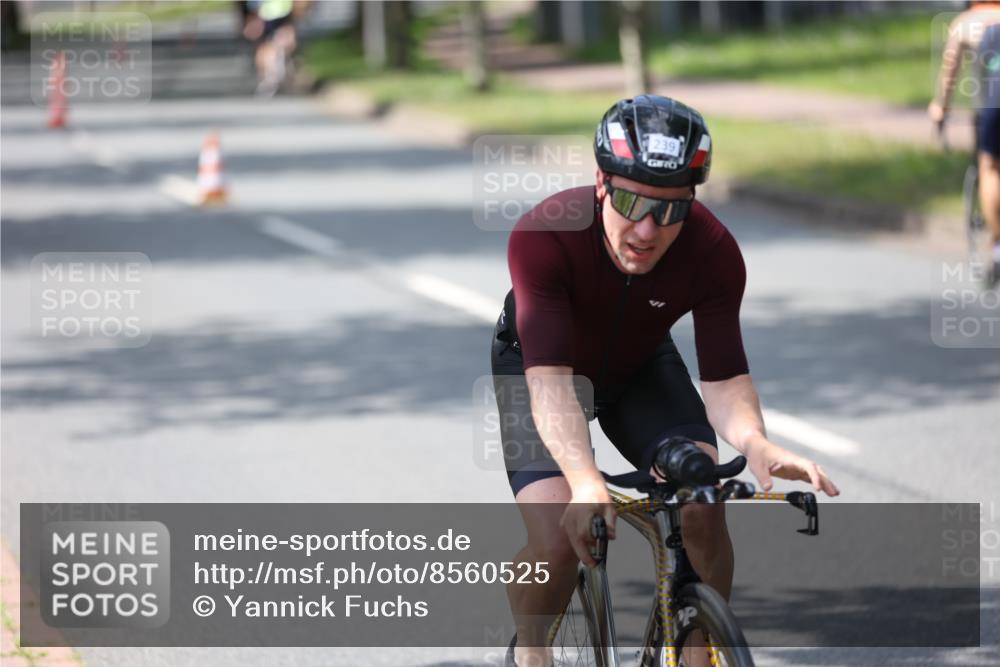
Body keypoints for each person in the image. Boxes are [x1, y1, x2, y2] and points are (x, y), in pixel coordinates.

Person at [491, 95, 840, 667]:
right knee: (557, 540)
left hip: (639, 365)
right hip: (542, 370)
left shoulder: (713, 250)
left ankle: (698, 645)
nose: (648, 229)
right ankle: (531, 652)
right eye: (631, 201)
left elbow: (725, 378)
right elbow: (552, 384)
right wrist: (584, 480)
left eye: (671, 210)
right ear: (601, 183)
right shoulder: (544, 236)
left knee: (703, 501)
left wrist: (756, 443)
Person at [929, 1, 1000, 286]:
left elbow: (950, 73)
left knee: (990, 168)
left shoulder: (966, 23)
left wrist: (940, 108)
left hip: (994, 105)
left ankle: (997, 248)